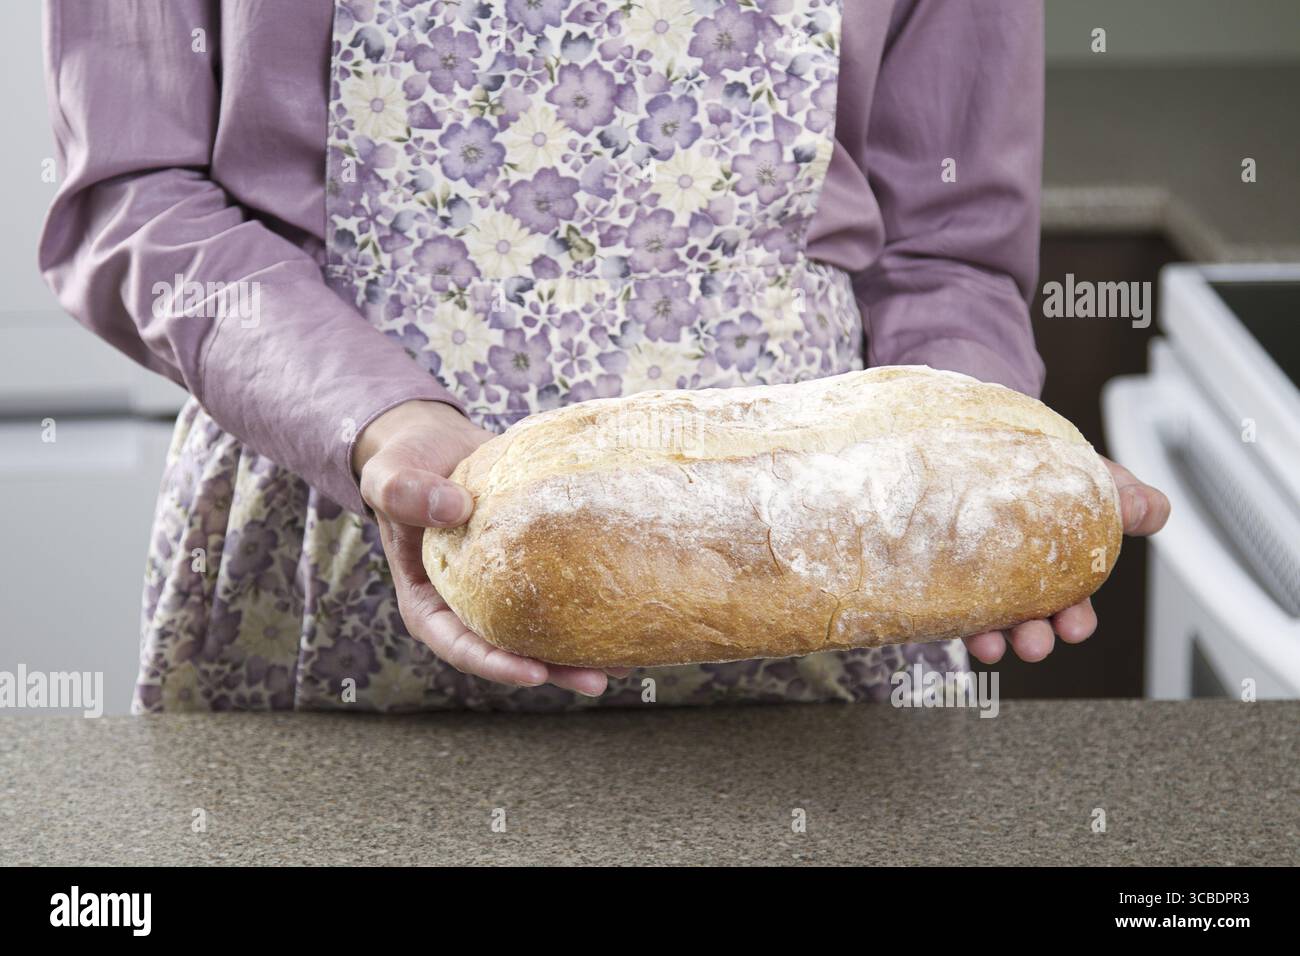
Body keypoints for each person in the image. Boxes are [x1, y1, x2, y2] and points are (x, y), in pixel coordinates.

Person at [40, 0, 1169, 712]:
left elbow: (944, 242)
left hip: (833, 583)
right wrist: (378, 422)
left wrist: (967, 474)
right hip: (331, 539)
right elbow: (137, 195)